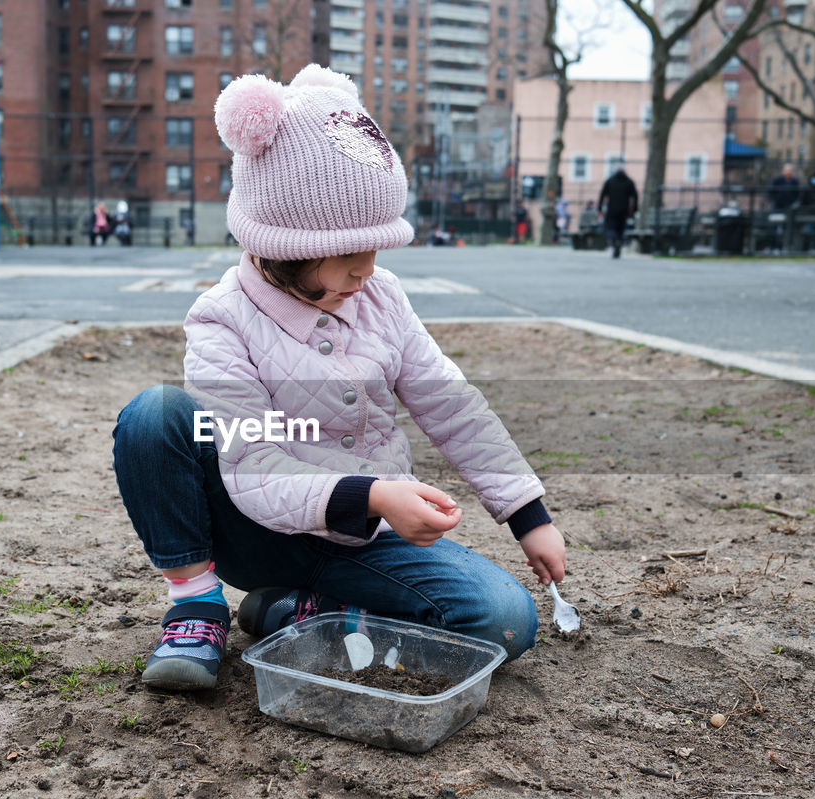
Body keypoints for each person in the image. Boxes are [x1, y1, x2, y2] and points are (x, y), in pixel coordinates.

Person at [111, 64, 567, 691]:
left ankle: (301, 611)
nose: (368, 268)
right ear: (287, 246)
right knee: (154, 414)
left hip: (364, 539)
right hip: (257, 528)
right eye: (350, 252)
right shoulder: (222, 320)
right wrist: (373, 494)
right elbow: (255, 466)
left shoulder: (381, 297)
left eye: (377, 247)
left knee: (505, 619)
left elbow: (452, 405)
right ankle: (195, 606)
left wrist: (527, 513)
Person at [597, 162, 637, 258]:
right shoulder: (629, 181)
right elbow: (635, 196)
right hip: (624, 209)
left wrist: (599, 207)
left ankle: (614, 241)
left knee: (611, 227)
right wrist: (634, 209)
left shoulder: (610, 181)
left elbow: (602, 195)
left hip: (612, 209)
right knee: (621, 228)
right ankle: (618, 241)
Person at [768, 162, 800, 253]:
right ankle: (772, 247)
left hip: (789, 209)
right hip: (778, 207)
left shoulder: (794, 182)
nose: (788, 172)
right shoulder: (777, 181)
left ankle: (786, 247)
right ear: (783, 171)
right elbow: (771, 192)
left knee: (788, 228)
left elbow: (797, 194)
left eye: (790, 170)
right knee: (774, 226)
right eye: (787, 170)